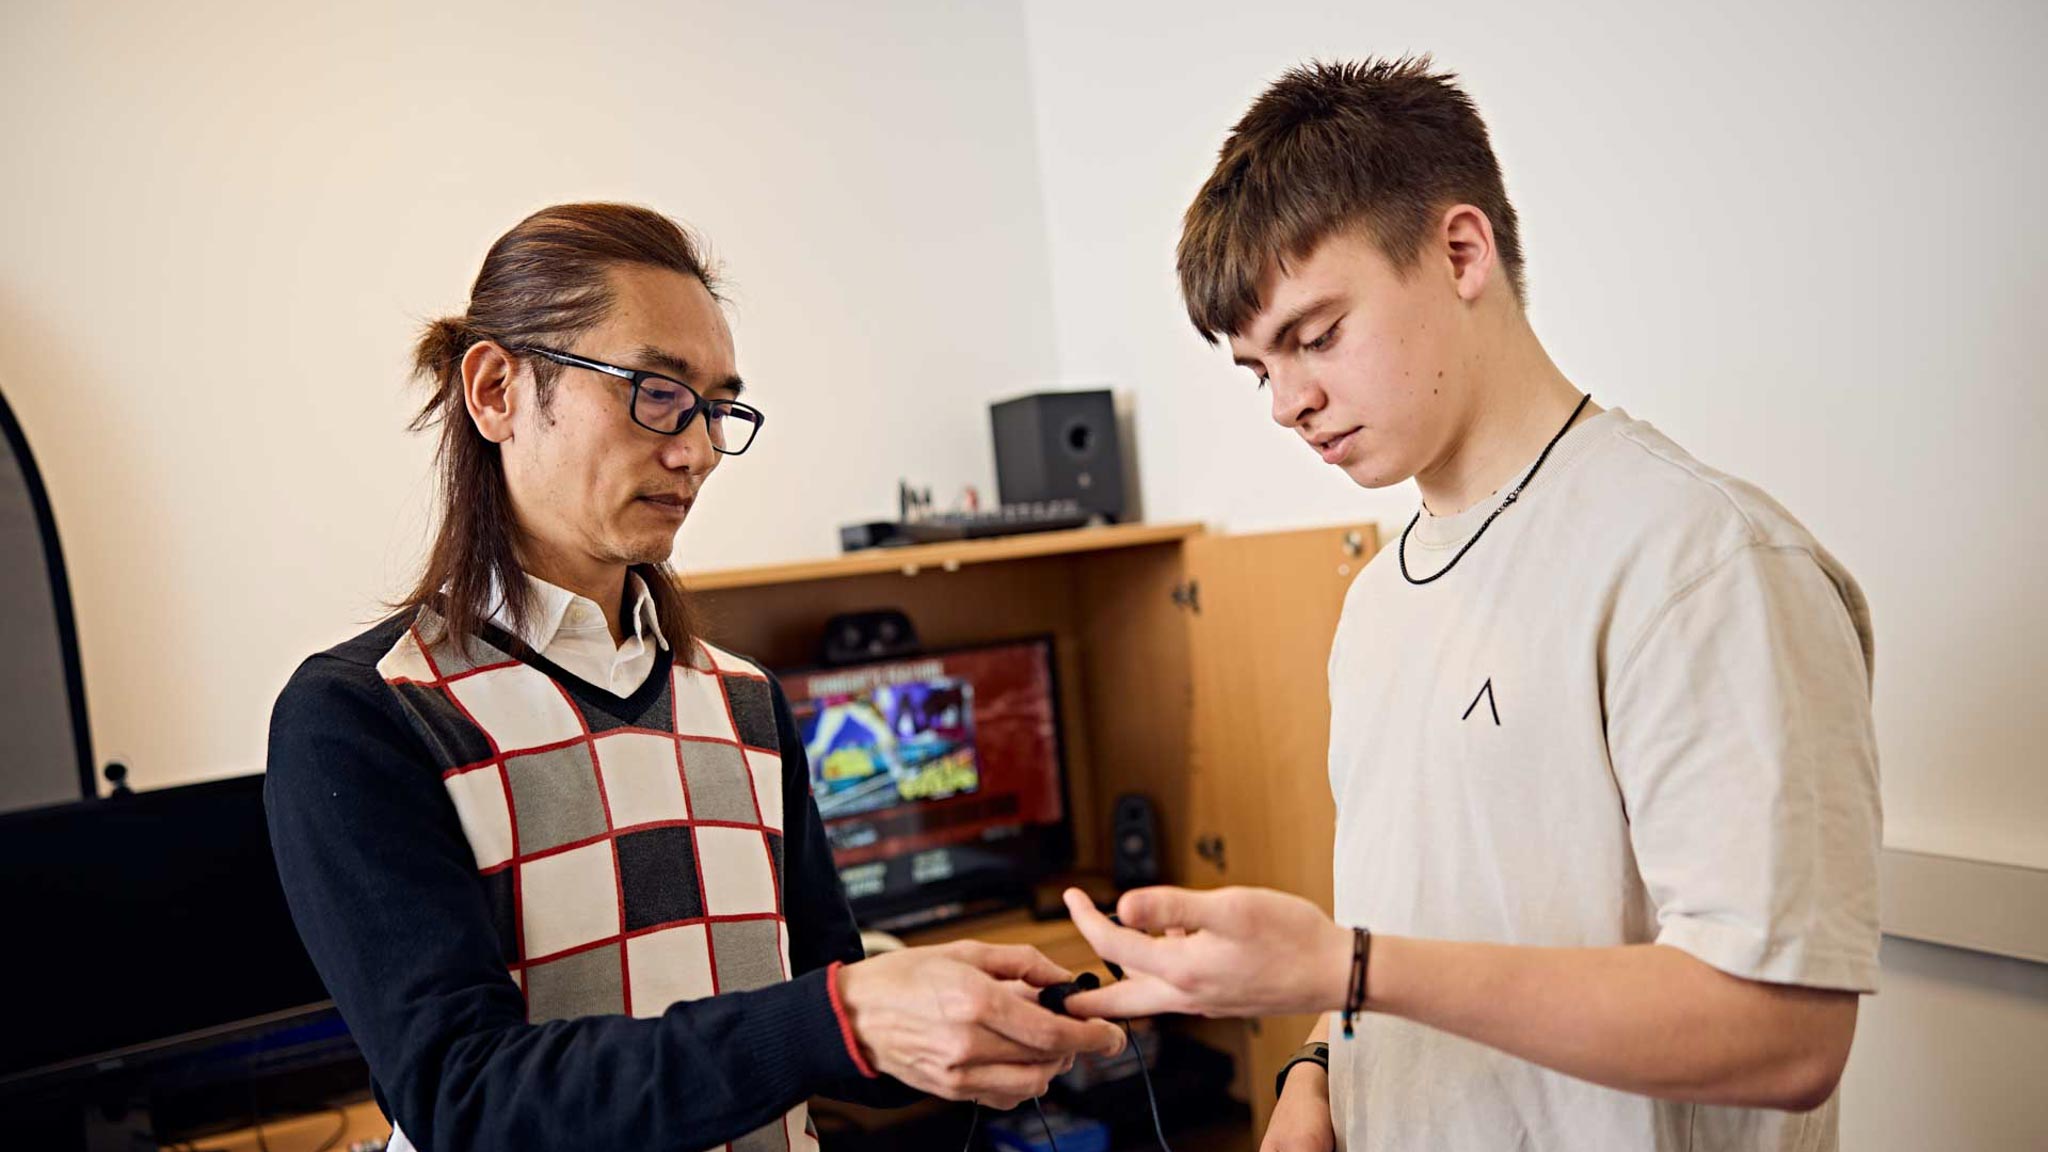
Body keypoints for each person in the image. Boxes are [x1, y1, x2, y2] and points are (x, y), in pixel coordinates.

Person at [1063, 58, 1881, 1152]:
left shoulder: (1702, 563)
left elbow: (1783, 1036)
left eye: (1316, 335)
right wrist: (1319, 1065)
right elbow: (1428, 925)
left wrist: (1345, 968)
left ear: (1460, 252)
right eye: (1258, 369)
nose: (1289, 402)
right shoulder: (1377, 602)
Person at [265, 202, 1121, 1152]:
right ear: (497, 390)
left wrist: (959, 1013)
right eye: (656, 393)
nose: (699, 452)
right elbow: (466, 1098)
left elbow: (819, 1037)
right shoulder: (365, 715)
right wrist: (840, 1016)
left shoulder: (742, 700)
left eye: (716, 409)